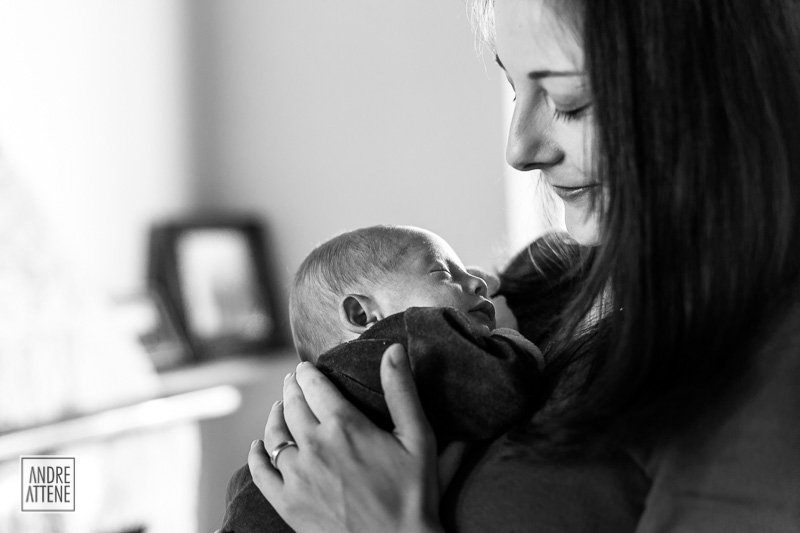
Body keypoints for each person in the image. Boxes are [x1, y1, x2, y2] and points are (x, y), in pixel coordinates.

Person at [246, 0, 800, 531]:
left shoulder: (764, 362)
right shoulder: (537, 281)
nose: (520, 148)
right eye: (515, 87)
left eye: (568, 99)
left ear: (714, 84)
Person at [221, 225, 586, 532]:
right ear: (362, 314)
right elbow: (502, 389)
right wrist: (506, 338)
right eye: (444, 273)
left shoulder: (344, 374)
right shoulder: (418, 337)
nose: (479, 282)